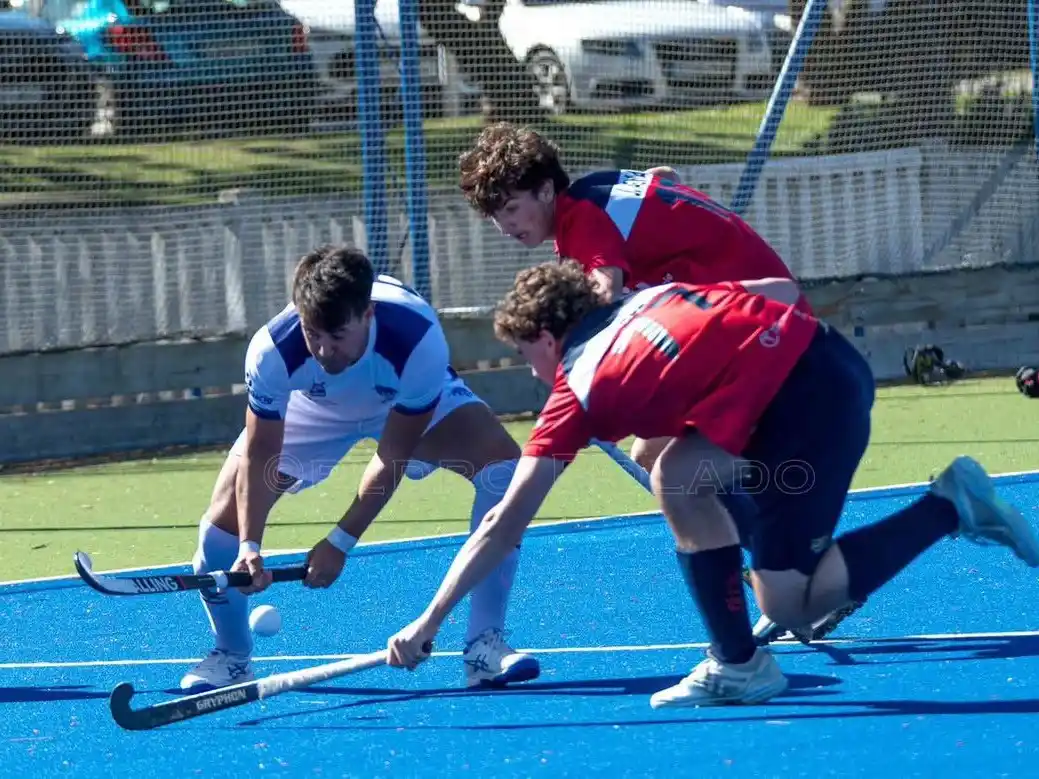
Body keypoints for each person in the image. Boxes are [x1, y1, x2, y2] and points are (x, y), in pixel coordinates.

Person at [384, 260, 1039, 708]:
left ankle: (746, 658)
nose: (530, 374)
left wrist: (428, 620)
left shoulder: (576, 388)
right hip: (824, 360)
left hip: (802, 402)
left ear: (549, 339)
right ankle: (941, 510)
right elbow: (776, 290)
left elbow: (505, 521)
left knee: (751, 558)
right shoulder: (651, 297)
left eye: (525, 355)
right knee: (688, 481)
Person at [180, 245, 541, 692]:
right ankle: (232, 655)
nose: (324, 350)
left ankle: (484, 646)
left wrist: (340, 541)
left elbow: (394, 454)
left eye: (337, 335)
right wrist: (250, 545)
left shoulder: (416, 341)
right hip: (312, 408)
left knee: (504, 471)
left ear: (366, 314)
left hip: (399, 399)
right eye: (314, 334)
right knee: (219, 534)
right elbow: (261, 451)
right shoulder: (273, 349)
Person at [457, 122, 801, 476]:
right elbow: (664, 176)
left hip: (759, 323)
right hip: (765, 311)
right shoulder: (598, 187)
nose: (504, 226)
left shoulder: (583, 222)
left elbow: (604, 294)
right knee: (657, 454)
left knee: (666, 462)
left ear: (545, 191)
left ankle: (757, 518)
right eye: (495, 216)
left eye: (511, 208)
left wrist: (574, 372)